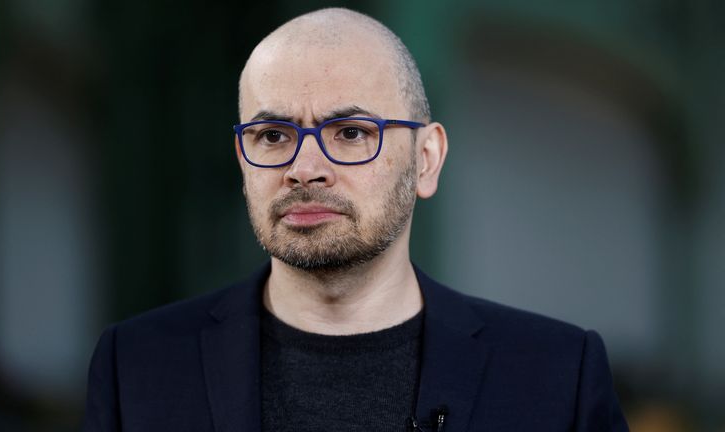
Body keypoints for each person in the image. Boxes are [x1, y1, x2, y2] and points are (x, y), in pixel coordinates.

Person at [83, 7, 629, 432]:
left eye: (351, 133)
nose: (305, 168)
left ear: (426, 160)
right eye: (273, 136)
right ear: (242, 161)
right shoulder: (137, 367)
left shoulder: (557, 376)